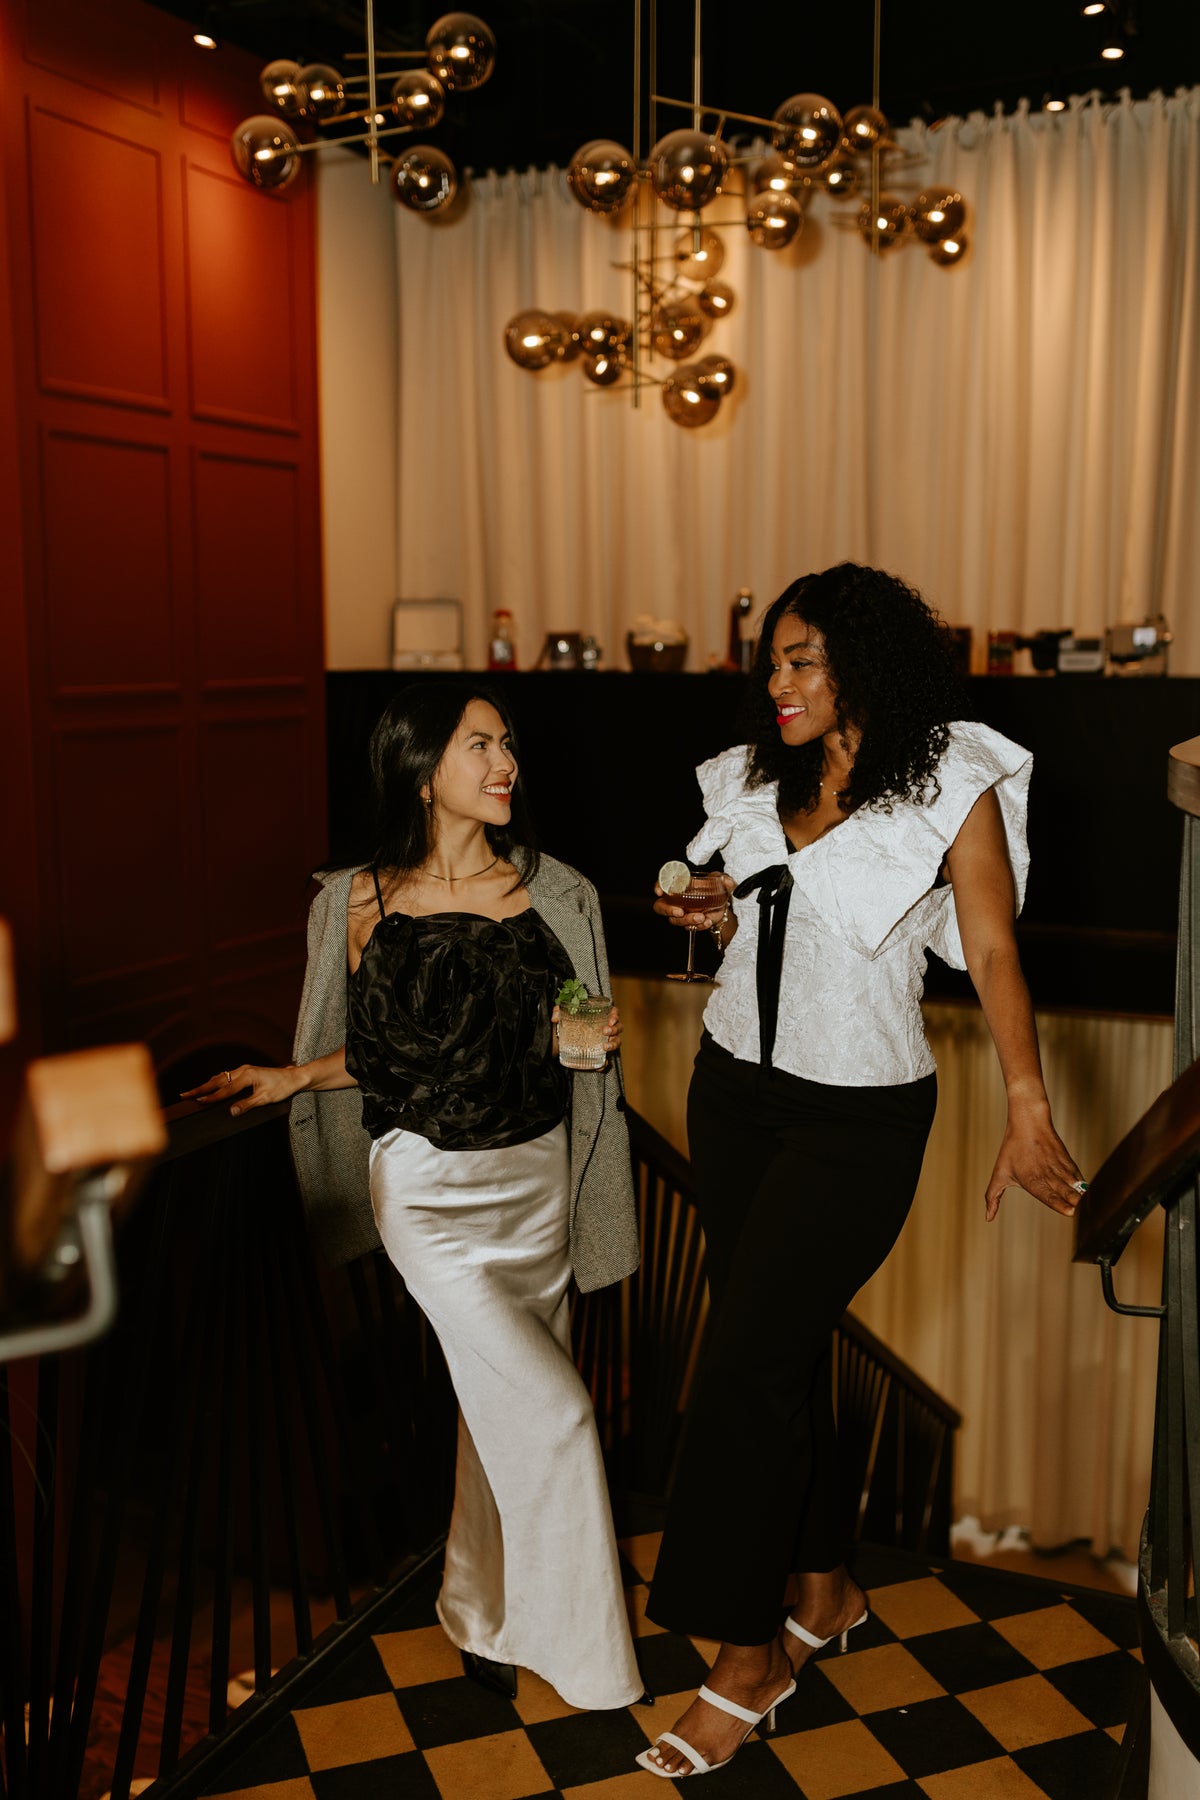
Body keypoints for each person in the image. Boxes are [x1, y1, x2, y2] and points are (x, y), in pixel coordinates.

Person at [637, 564, 1085, 1779]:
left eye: (804, 661)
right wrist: (719, 912)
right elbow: (769, 914)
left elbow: (992, 947)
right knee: (776, 1352)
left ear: (867, 665)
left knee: (740, 1367)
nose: (778, 683)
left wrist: (1028, 1103)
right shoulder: (756, 777)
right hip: (734, 1091)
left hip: (858, 1118)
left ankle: (745, 1657)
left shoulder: (949, 780)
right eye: (772, 661)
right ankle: (826, 1588)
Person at [185, 681, 645, 1713]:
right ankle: (589, 1666)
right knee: (561, 1410)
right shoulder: (356, 900)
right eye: (479, 744)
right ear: (421, 765)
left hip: (536, 1187)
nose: (505, 763)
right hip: (430, 1195)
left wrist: (579, 1039)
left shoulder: (554, 891)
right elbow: (383, 1052)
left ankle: (475, 1606)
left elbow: (569, 1033)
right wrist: (293, 1077)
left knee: (498, 1409)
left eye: (507, 743)